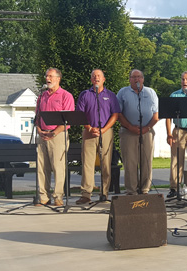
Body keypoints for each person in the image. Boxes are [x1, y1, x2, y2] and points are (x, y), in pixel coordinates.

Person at [75, 69, 120, 204]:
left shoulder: (111, 95)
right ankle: (86, 194)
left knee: (106, 163)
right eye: (94, 76)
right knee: (88, 164)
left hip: (106, 132)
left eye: (99, 76)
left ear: (104, 79)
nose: (96, 78)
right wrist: (89, 127)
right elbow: (79, 114)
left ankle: (104, 193)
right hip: (89, 132)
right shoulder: (85, 95)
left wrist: (103, 130)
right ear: (91, 80)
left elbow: (115, 114)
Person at [35, 68, 75, 206]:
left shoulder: (66, 95)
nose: (48, 78)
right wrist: (39, 130)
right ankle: (43, 197)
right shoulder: (41, 96)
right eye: (46, 75)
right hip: (42, 135)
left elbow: (68, 120)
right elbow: (37, 117)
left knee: (58, 166)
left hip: (58, 135)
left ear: (58, 78)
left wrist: (54, 132)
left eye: (51, 76)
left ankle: (58, 197)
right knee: (42, 167)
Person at [117, 69, 159, 195]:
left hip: (147, 131)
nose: (137, 79)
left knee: (146, 162)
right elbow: (118, 114)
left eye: (139, 77)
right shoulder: (122, 92)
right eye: (134, 77)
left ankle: (145, 189)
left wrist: (147, 128)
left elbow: (156, 114)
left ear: (143, 79)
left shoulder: (150, 92)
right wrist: (130, 127)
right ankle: (131, 190)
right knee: (130, 162)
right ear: (129, 79)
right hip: (128, 132)